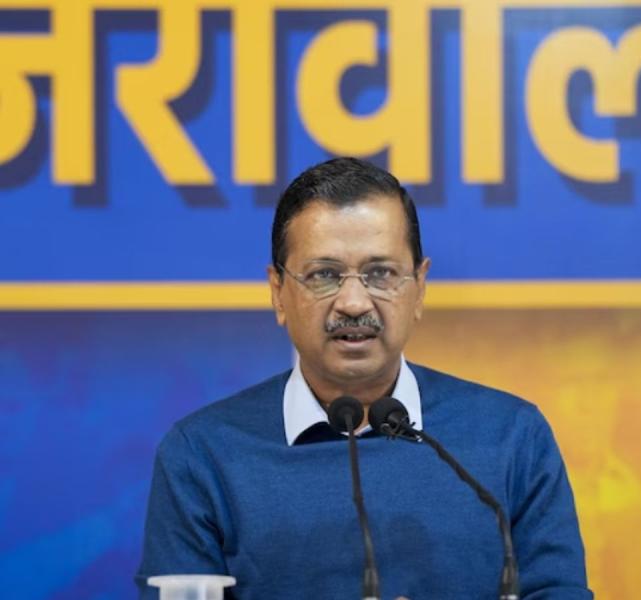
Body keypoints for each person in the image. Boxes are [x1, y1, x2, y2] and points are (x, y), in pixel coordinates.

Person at [136, 157, 592, 599]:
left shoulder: (511, 438)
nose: (354, 303)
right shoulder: (203, 455)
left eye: (380, 274)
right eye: (324, 275)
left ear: (419, 288)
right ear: (278, 293)